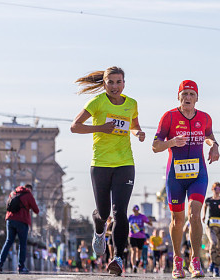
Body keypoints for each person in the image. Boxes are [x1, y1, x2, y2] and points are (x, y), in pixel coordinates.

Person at [70, 66, 145, 276]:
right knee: (103, 213)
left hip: (125, 164)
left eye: (118, 82)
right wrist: (100, 128)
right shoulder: (97, 103)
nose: (114, 86)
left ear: (124, 83)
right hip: (101, 164)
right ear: (104, 84)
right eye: (110, 82)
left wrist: (138, 132)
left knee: (120, 212)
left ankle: (118, 258)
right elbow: (75, 126)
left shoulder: (131, 104)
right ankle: (99, 226)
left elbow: (134, 125)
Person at [152, 80, 219, 278]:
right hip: (175, 175)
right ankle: (177, 260)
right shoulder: (169, 117)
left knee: (195, 215)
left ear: (197, 97)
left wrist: (214, 145)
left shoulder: (205, 118)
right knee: (177, 219)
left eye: (192, 94)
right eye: (184, 94)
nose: (188, 97)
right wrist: (172, 142)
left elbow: (209, 135)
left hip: (198, 174)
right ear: (178, 96)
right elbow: (155, 146)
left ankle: (195, 261)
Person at [0, 184, 39, 274]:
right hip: (22, 221)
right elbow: (36, 210)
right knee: (22, 244)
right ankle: (21, 267)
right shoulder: (28, 195)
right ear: (29, 189)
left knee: (8, 241)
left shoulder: (13, 193)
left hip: (10, 220)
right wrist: (28, 206)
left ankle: (0, 263)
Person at [203, 182, 220, 277]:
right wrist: (203, 216)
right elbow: (205, 207)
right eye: (215, 189)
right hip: (210, 226)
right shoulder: (208, 200)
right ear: (212, 189)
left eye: (219, 189)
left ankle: (215, 267)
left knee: (219, 248)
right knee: (213, 243)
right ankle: (213, 264)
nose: (217, 190)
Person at [128, 204, 152, 273]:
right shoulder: (130, 217)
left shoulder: (142, 217)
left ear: (138, 210)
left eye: (137, 210)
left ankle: (137, 261)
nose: (135, 212)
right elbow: (126, 223)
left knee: (139, 252)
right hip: (132, 236)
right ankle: (134, 266)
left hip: (141, 236)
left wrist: (149, 221)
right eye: (134, 210)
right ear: (133, 210)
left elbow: (150, 224)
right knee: (133, 250)